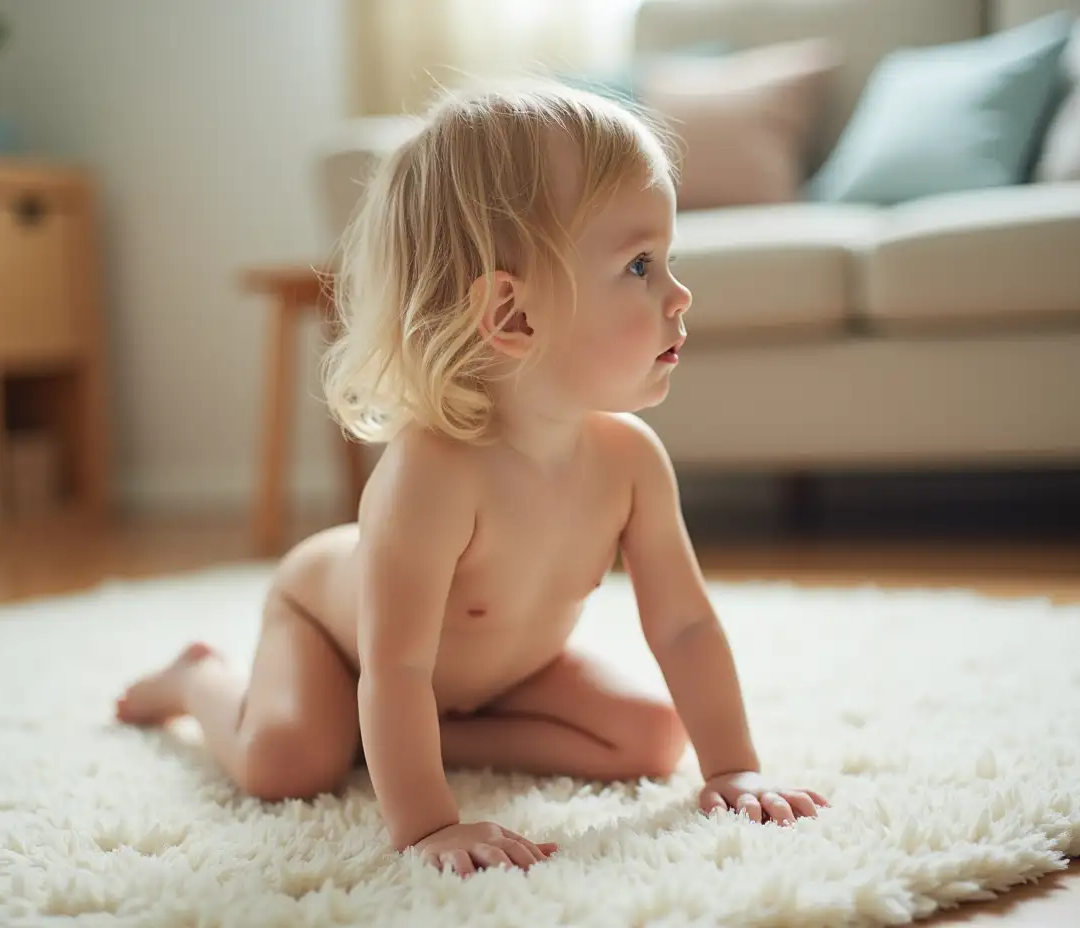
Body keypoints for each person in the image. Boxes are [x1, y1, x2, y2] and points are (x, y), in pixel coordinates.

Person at [116, 80, 828, 877]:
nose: (679, 293)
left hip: (500, 676)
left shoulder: (630, 461)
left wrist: (732, 767)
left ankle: (389, 736)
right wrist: (427, 826)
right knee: (286, 763)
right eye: (639, 266)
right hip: (344, 642)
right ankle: (196, 679)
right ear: (513, 316)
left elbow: (686, 628)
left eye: (667, 260)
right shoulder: (431, 475)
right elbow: (396, 669)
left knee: (650, 738)